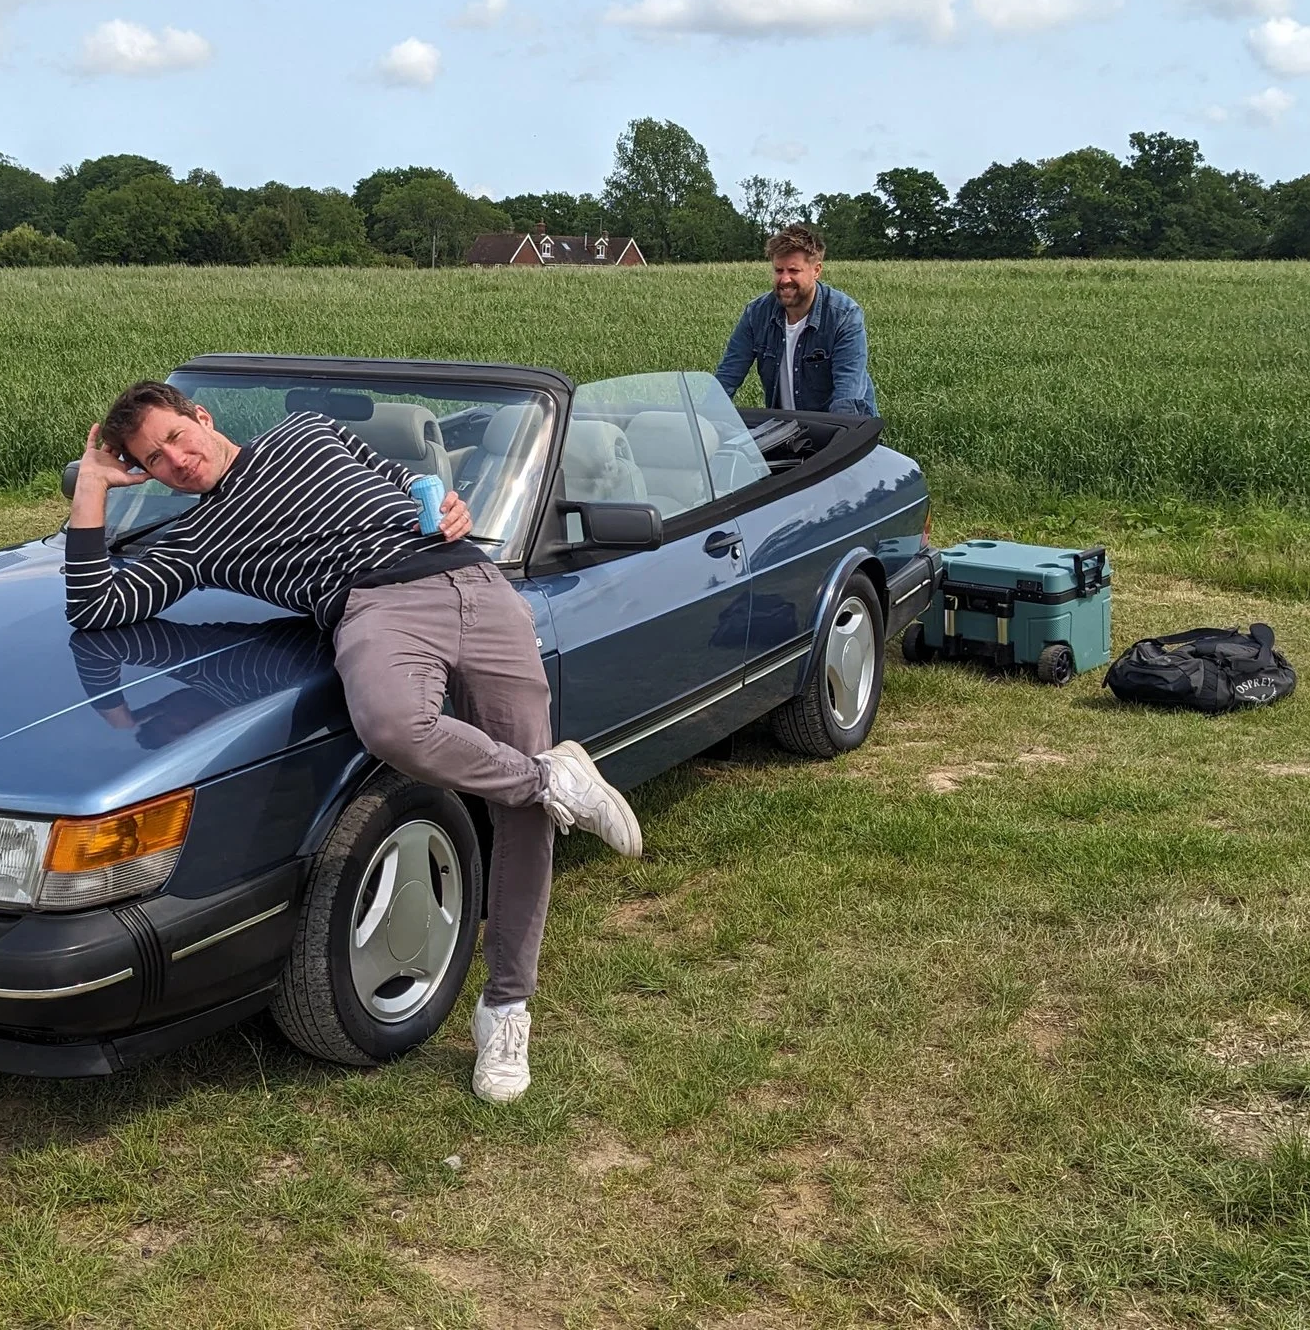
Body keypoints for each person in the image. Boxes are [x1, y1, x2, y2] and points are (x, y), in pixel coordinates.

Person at [61, 380, 643, 1104]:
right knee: (396, 726)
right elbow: (95, 606)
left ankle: (506, 1007)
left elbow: (403, 480)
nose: (175, 461)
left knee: (517, 815)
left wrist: (446, 499)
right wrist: (92, 486)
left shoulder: (309, 433)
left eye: (176, 437)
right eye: (152, 460)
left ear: (201, 419)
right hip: (372, 606)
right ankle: (555, 777)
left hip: (470, 577)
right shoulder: (197, 541)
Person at [714, 223, 878, 418]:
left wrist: (839, 441)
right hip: (786, 431)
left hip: (837, 431)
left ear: (816, 270)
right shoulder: (756, 313)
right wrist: (703, 421)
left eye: (793, 271)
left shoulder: (844, 315)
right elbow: (727, 376)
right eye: (778, 270)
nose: (784, 280)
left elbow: (848, 397)